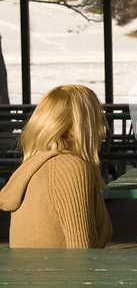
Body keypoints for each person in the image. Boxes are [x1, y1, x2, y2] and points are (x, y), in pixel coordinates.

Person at [0, 85, 112, 248]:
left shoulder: (36, 165)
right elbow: (83, 254)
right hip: (59, 273)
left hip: (32, 272)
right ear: (85, 127)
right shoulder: (70, 169)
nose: (102, 131)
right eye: (98, 120)